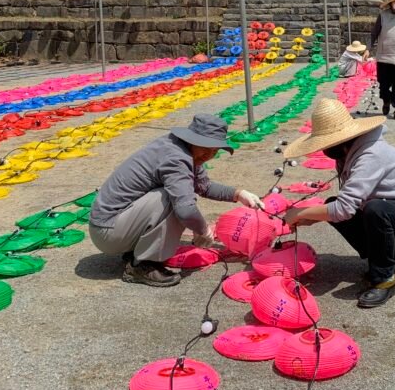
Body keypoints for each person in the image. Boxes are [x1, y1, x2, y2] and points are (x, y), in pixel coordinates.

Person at [283, 99, 395, 308]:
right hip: (394, 217)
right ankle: (390, 254)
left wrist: (300, 213)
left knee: (375, 210)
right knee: (332, 204)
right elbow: (345, 204)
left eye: (326, 144)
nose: (324, 150)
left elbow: (344, 209)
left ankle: (384, 279)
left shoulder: (371, 155)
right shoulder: (348, 153)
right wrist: (311, 218)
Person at [89, 115, 265, 287]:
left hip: (115, 225)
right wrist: (202, 229)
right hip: (108, 231)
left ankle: (137, 252)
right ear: (193, 139)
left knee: (176, 195)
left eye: (215, 150)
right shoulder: (176, 157)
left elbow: (204, 186)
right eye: (206, 147)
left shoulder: (184, 150)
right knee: (170, 198)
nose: (208, 155)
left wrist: (238, 194)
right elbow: (185, 210)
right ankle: (142, 266)